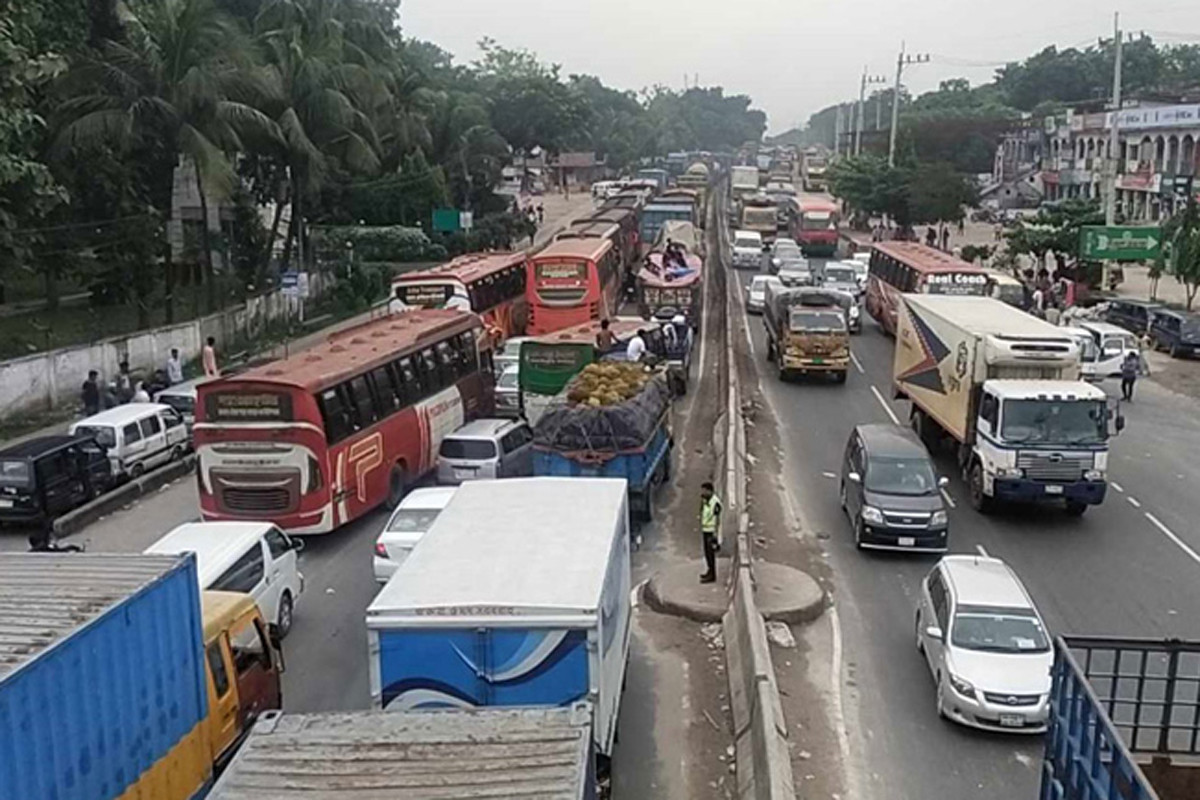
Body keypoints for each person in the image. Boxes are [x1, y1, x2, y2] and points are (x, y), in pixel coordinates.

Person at [699, 481, 723, 584]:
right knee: (707, 554)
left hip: (711, 533)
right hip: (705, 531)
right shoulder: (705, 501)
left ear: (710, 491)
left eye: (705, 490)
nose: (703, 492)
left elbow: (718, 520)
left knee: (711, 554)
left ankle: (712, 575)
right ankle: (709, 571)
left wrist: (716, 536)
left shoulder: (715, 503)